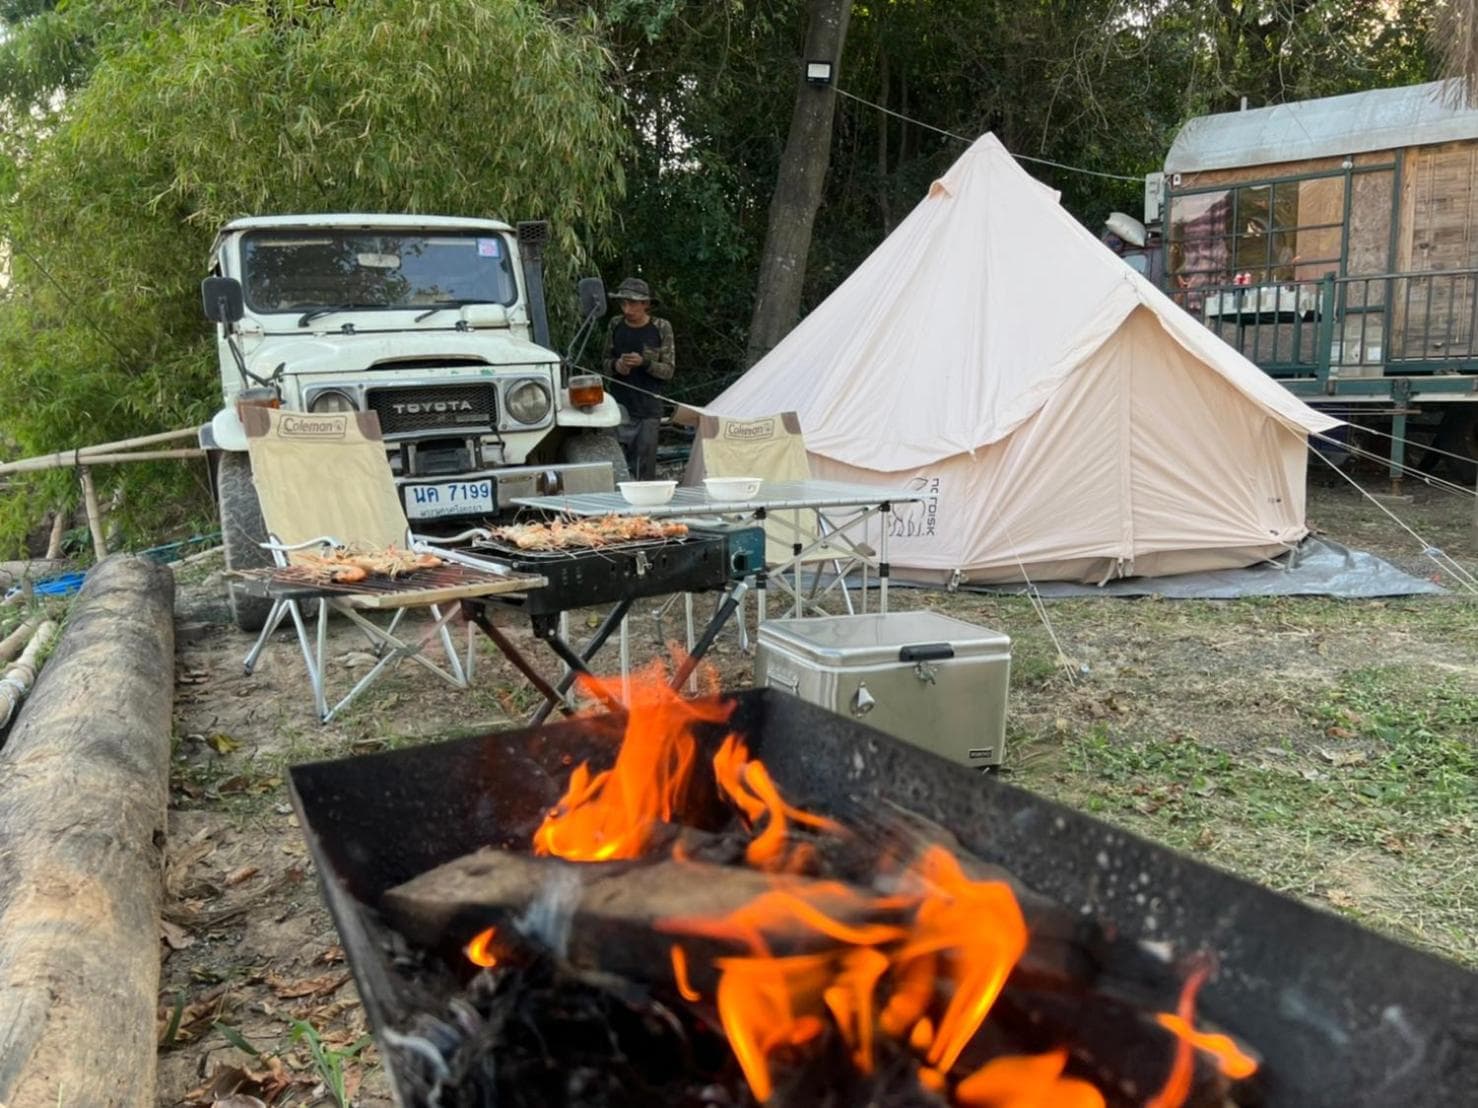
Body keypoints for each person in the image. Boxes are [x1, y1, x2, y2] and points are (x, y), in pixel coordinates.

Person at [602, 277, 675, 481]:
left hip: (648, 408)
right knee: (616, 467)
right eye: (623, 303)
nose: (627, 309)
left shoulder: (661, 327)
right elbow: (604, 362)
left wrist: (644, 363)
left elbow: (668, 370)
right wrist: (617, 366)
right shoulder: (615, 324)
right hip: (618, 408)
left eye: (632, 303)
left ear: (645, 304)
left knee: (644, 469)